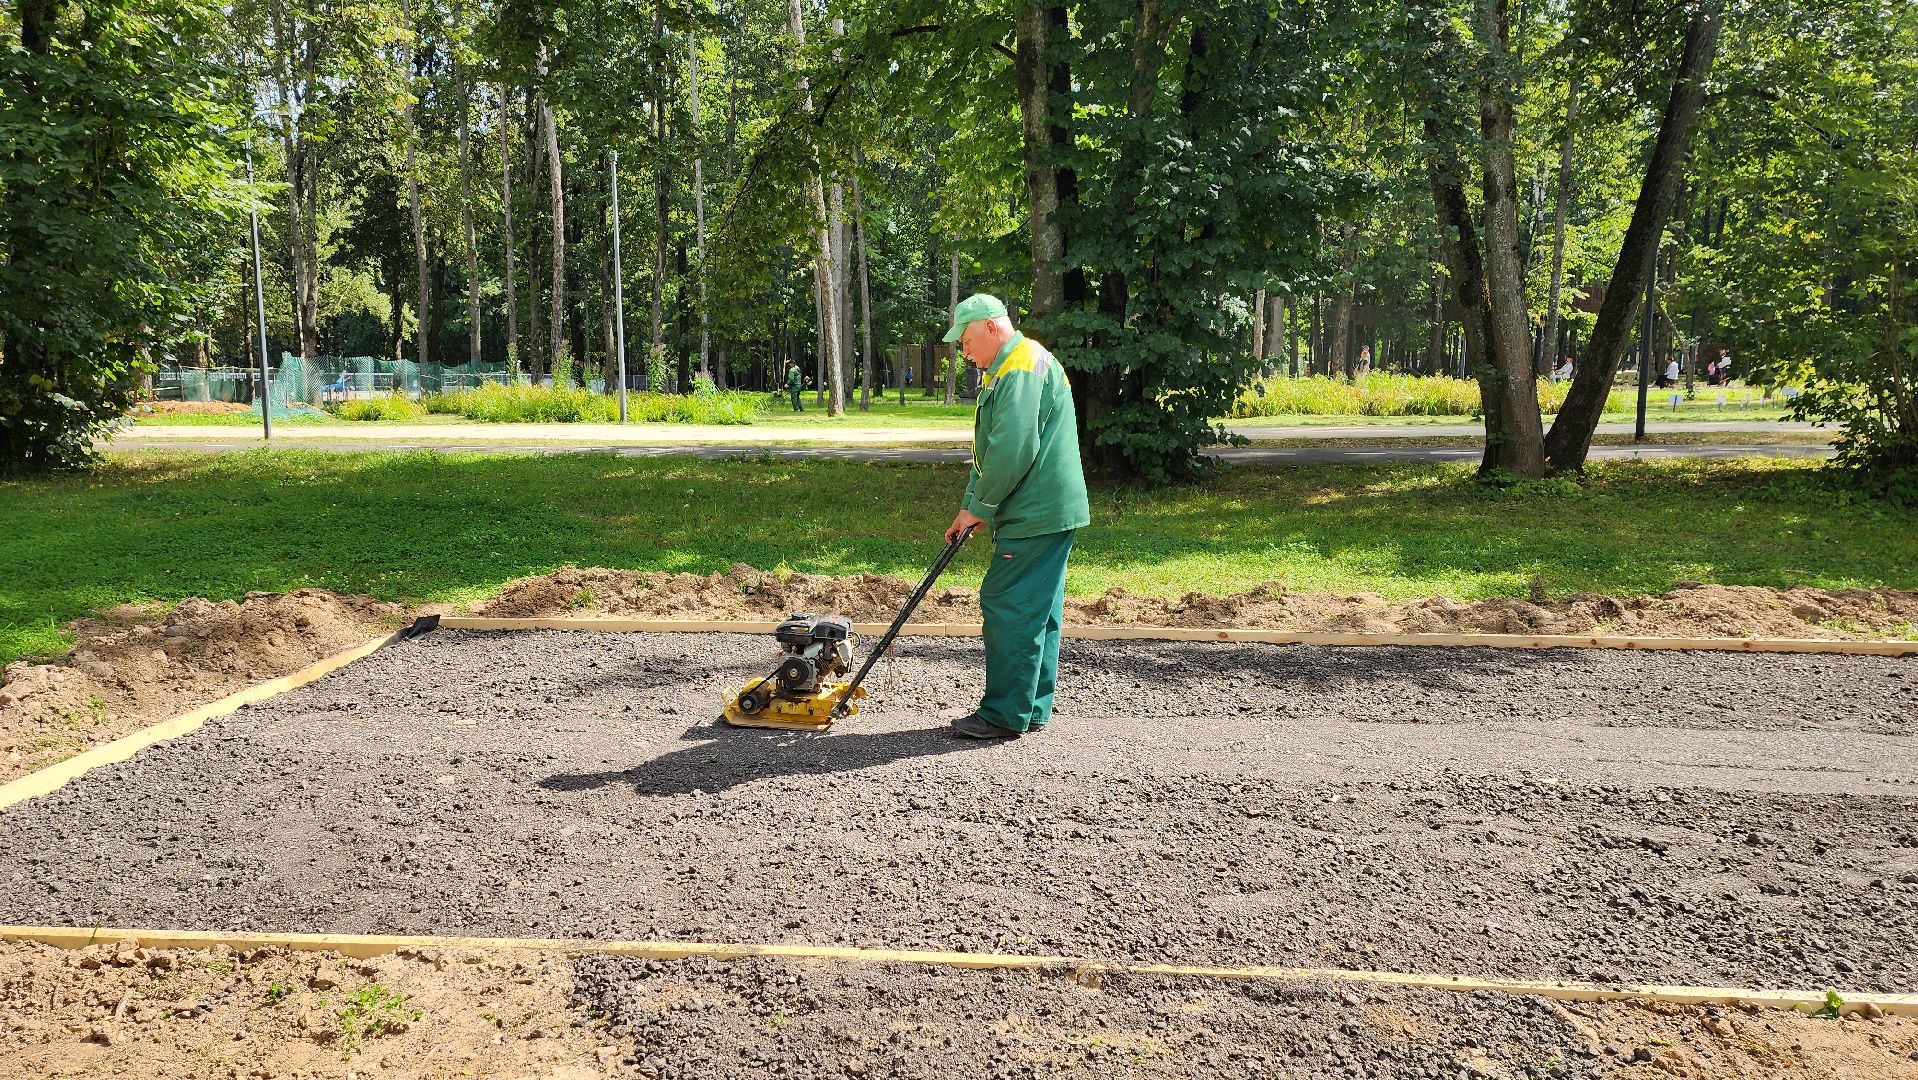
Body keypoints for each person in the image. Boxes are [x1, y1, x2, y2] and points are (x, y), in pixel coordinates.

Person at [941, 294, 1089, 740]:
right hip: (1044, 509)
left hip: (1036, 512)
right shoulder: (1009, 367)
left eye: (966, 341)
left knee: (1008, 603)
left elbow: (1013, 450)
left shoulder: (1021, 367)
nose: (963, 352)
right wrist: (971, 506)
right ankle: (1031, 708)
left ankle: (1005, 714)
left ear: (991, 328)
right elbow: (990, 452)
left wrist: (981, 507)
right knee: (1038, 610)